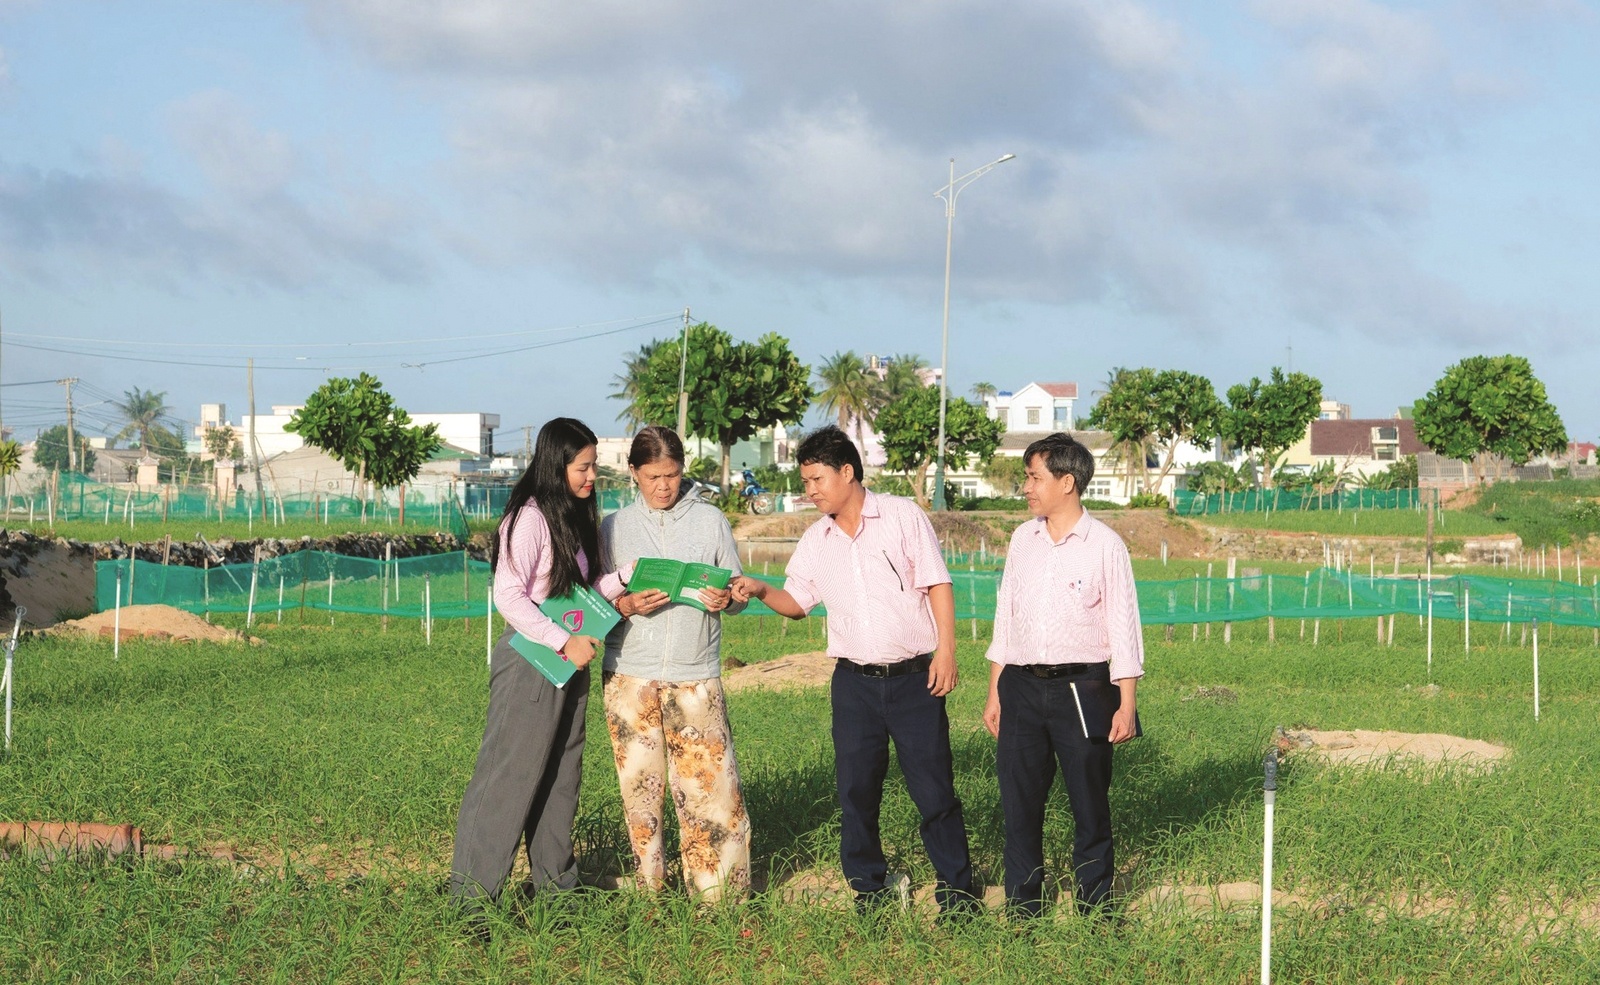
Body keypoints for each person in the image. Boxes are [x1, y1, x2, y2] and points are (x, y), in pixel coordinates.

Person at [732, 425, 977, 918]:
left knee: (934, 791)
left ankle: (958, 893)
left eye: (817, 479)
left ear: (847, 472)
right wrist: (760, 589)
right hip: (853, 685)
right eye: (805, 482)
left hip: (914, 679)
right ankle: (871, 888)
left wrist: (946, 651)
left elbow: (937, 583)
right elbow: (798, 602)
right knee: (856, 792)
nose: (810, 490)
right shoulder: (816, 539)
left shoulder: (902, 517)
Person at [449, 417, 620, 907]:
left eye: (594, 467)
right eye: (583, 467)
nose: (591, 477)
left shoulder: (569, 517)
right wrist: (563, 641)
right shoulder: (529, 518)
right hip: (533, 660)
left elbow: (574, 595)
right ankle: (472, 899)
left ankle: (557, 892)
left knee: (561, 778)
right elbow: (509, 594)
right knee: (509, 776)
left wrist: (626, 579)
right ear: (556, 464)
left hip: (569, 661)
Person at [982, 432, 1144, 920]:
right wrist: (995, 691)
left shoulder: (1105, 546)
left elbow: (1124, 626)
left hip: (1085, 689)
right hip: (1021, 687)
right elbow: (1005, 617)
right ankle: (1023, 910)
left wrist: (1127, 703)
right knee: (1019, 807)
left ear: (1067, 482)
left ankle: (1096, 909)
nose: (1026, 487)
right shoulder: (1021, 540)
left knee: (1089, 807)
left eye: (1034, 477)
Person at [599, 426, 752, 902]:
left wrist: (726, 599)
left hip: (695, 680)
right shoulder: (613, 527)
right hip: (629, 677)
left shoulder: (710, 522)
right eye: (652, 476)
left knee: (712, 796)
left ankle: (718, 901)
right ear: (633, 473)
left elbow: (739, 595)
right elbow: (594, 600)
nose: (663, 486)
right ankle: (650, 895)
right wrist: (626, 606)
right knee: (640, 796)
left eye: (672, 474)